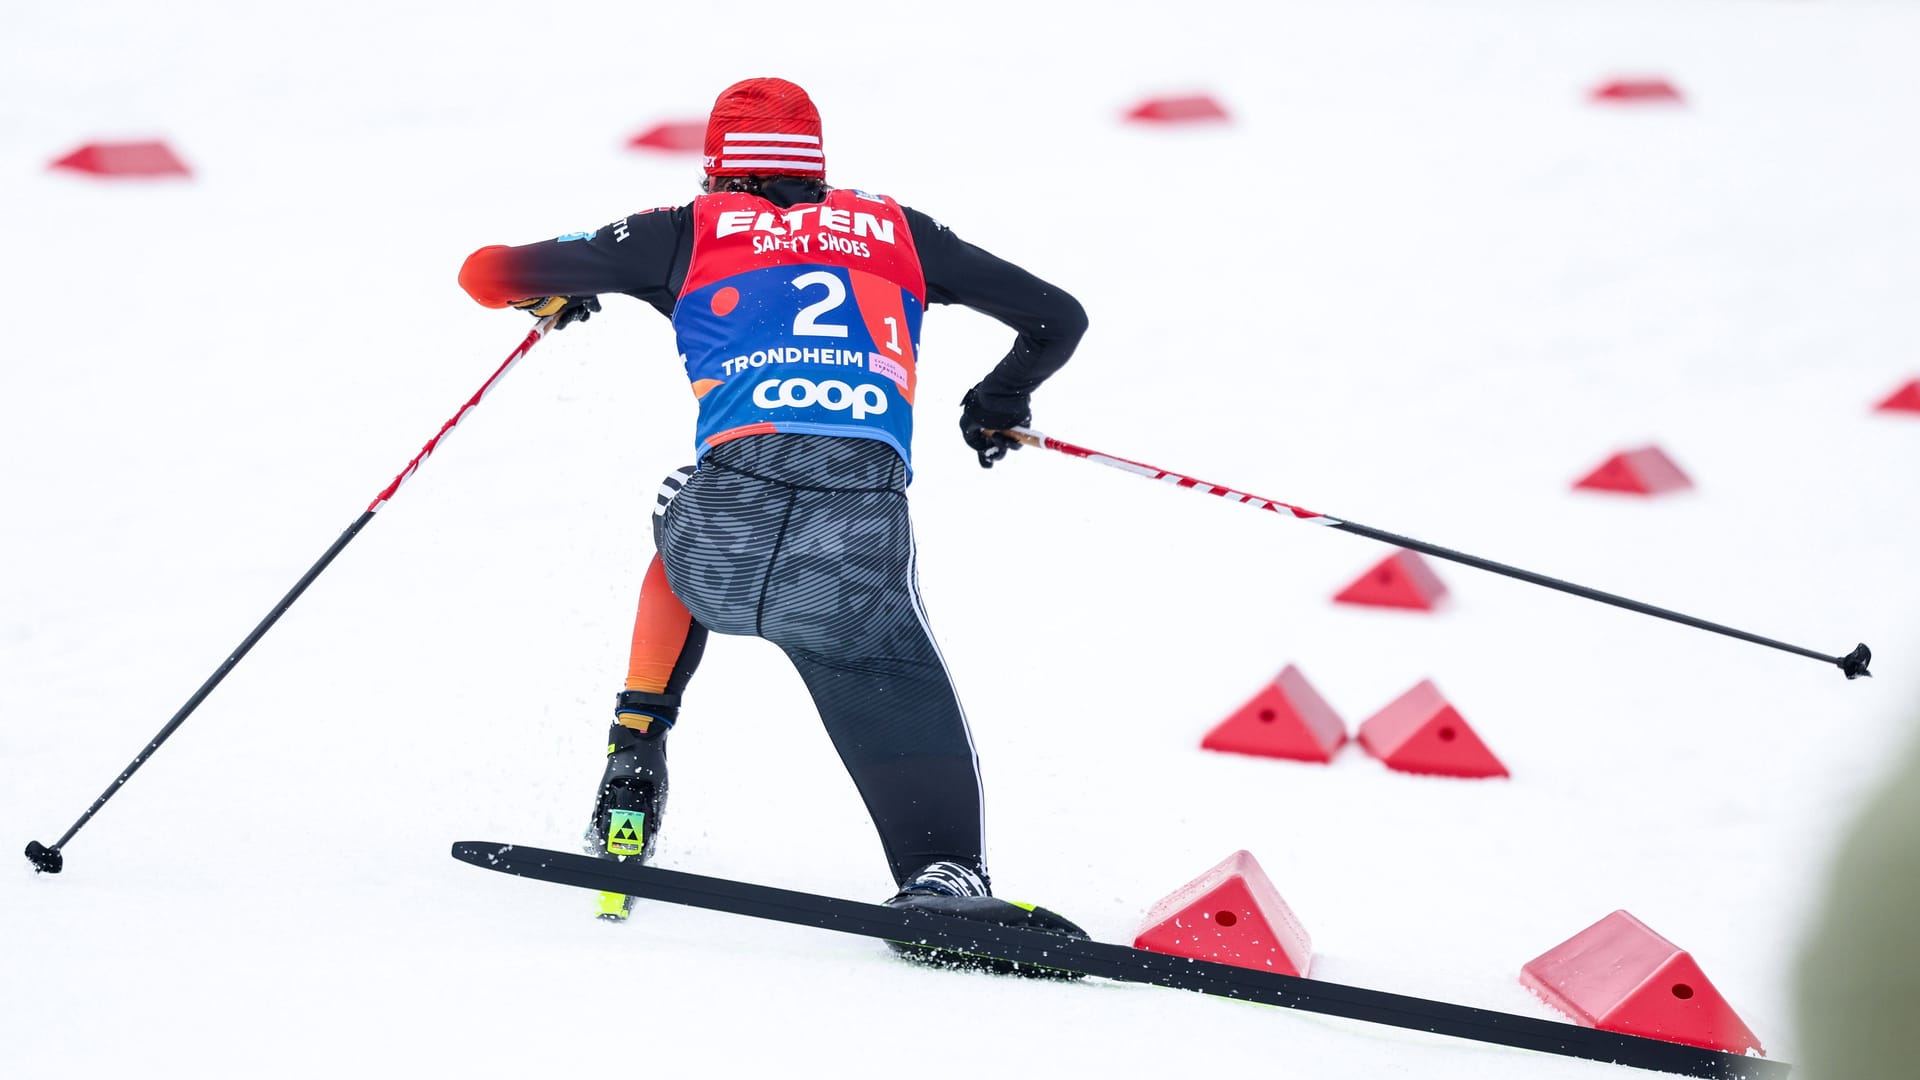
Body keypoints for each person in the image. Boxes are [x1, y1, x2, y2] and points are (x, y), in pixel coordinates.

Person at [458, 77, 1088, 965]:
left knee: (678, 507)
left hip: (724, 532)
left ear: (719, 165)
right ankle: (944, 878)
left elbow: (485, 273)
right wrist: (996, 401)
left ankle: (636, 747)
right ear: (816, 163)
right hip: (854, 542)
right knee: (896, 675)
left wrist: (554, 294)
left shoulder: (678, 229)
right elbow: (1059, 317)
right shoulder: (901, 232)